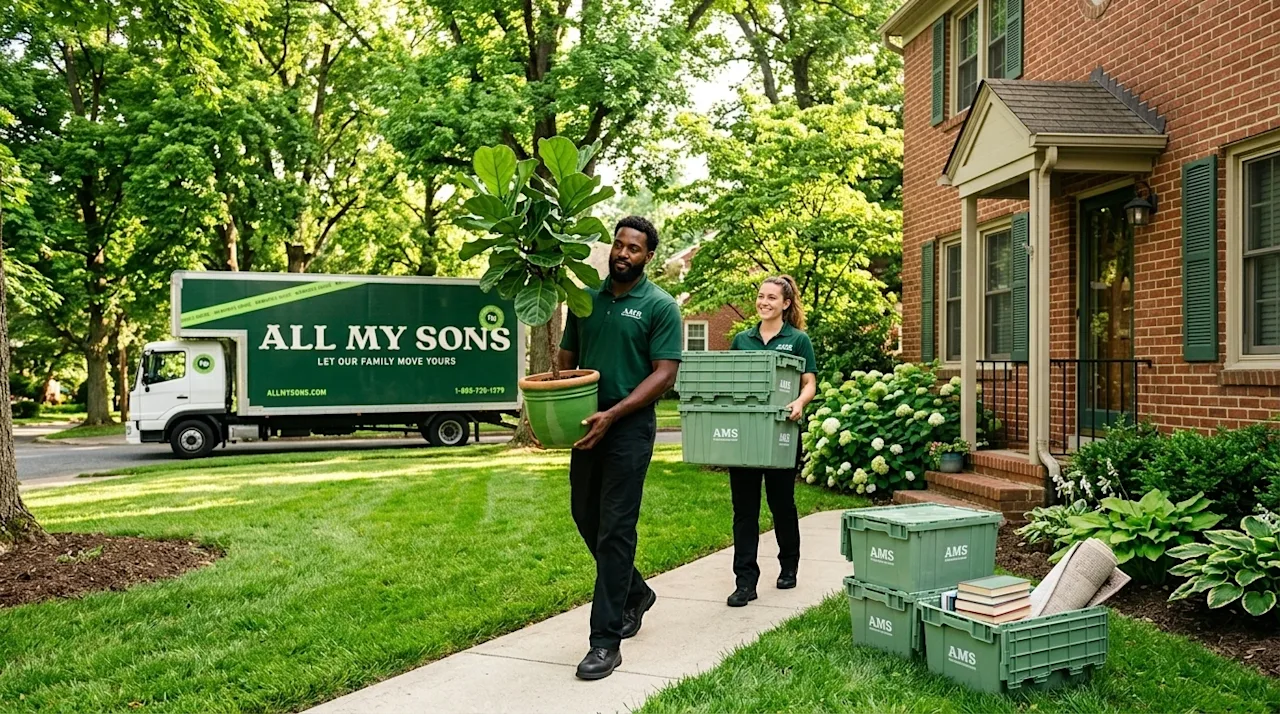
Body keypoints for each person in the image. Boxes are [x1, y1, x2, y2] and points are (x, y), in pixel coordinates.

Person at [558, 215, 682, 680]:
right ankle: (635, 592)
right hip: (587, 423)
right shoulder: (585, 300)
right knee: (584, 515)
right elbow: (568, 357)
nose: (623, 254)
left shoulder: (660, 306)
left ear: (648, 257)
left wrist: (614, 414)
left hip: (628, 428)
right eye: (619, 245)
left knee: (615, 529)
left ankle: (604, 641)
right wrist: (564, 393)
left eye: (634, 248)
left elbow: (664, 374)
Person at [725, 275, 818, 607]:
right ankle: (745, 582)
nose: (764, 302)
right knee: (744, 510)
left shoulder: (797, 340)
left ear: (786, 304)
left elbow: (809, 383)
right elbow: (732, 383)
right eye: (761, 296)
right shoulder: (742, 339)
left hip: (780, 433)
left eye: (772, 298)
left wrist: (800, 402)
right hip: (747, 436)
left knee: (782, 504)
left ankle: (788, 567)